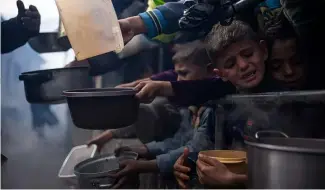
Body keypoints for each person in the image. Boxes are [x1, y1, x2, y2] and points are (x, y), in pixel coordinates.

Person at [98, 40, 217, 188]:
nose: (178, 81)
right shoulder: (192, 108)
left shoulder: (212, 110)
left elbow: (195, 149)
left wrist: (144, 166)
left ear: (211, 71)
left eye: (184, 73)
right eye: (176, 75)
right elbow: (179, 141)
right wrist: (145, 150)